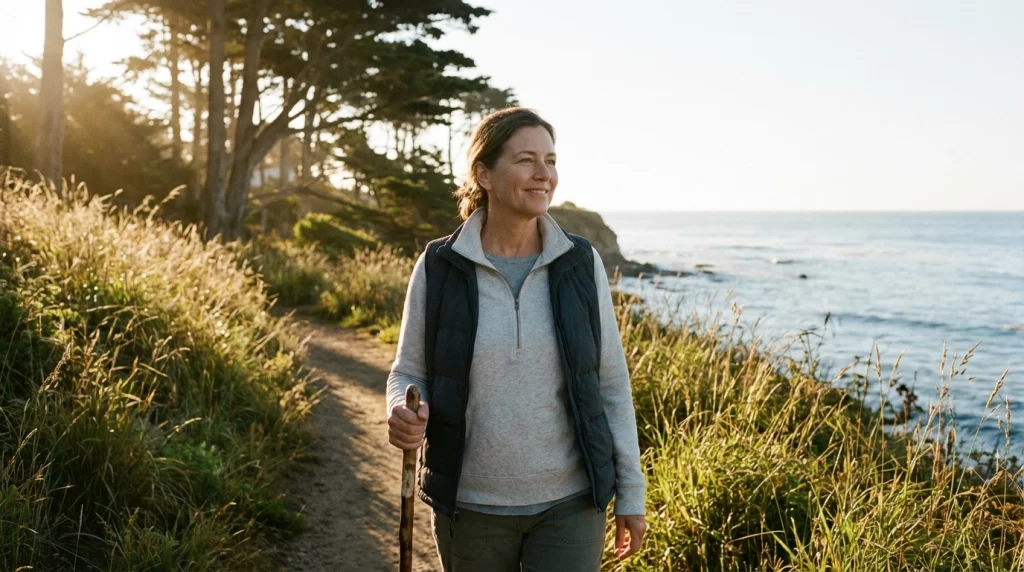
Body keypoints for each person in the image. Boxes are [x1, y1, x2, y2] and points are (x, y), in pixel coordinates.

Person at [385, 107, 646, 572]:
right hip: (469, 507)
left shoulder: (579, 263)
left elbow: (610, 382)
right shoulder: (439, 265)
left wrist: (631, 492)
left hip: (572, 503)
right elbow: (408, 370)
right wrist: (402, 410)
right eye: (526, 160)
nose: (544, 174)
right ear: (484, 173)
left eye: (550, 159)